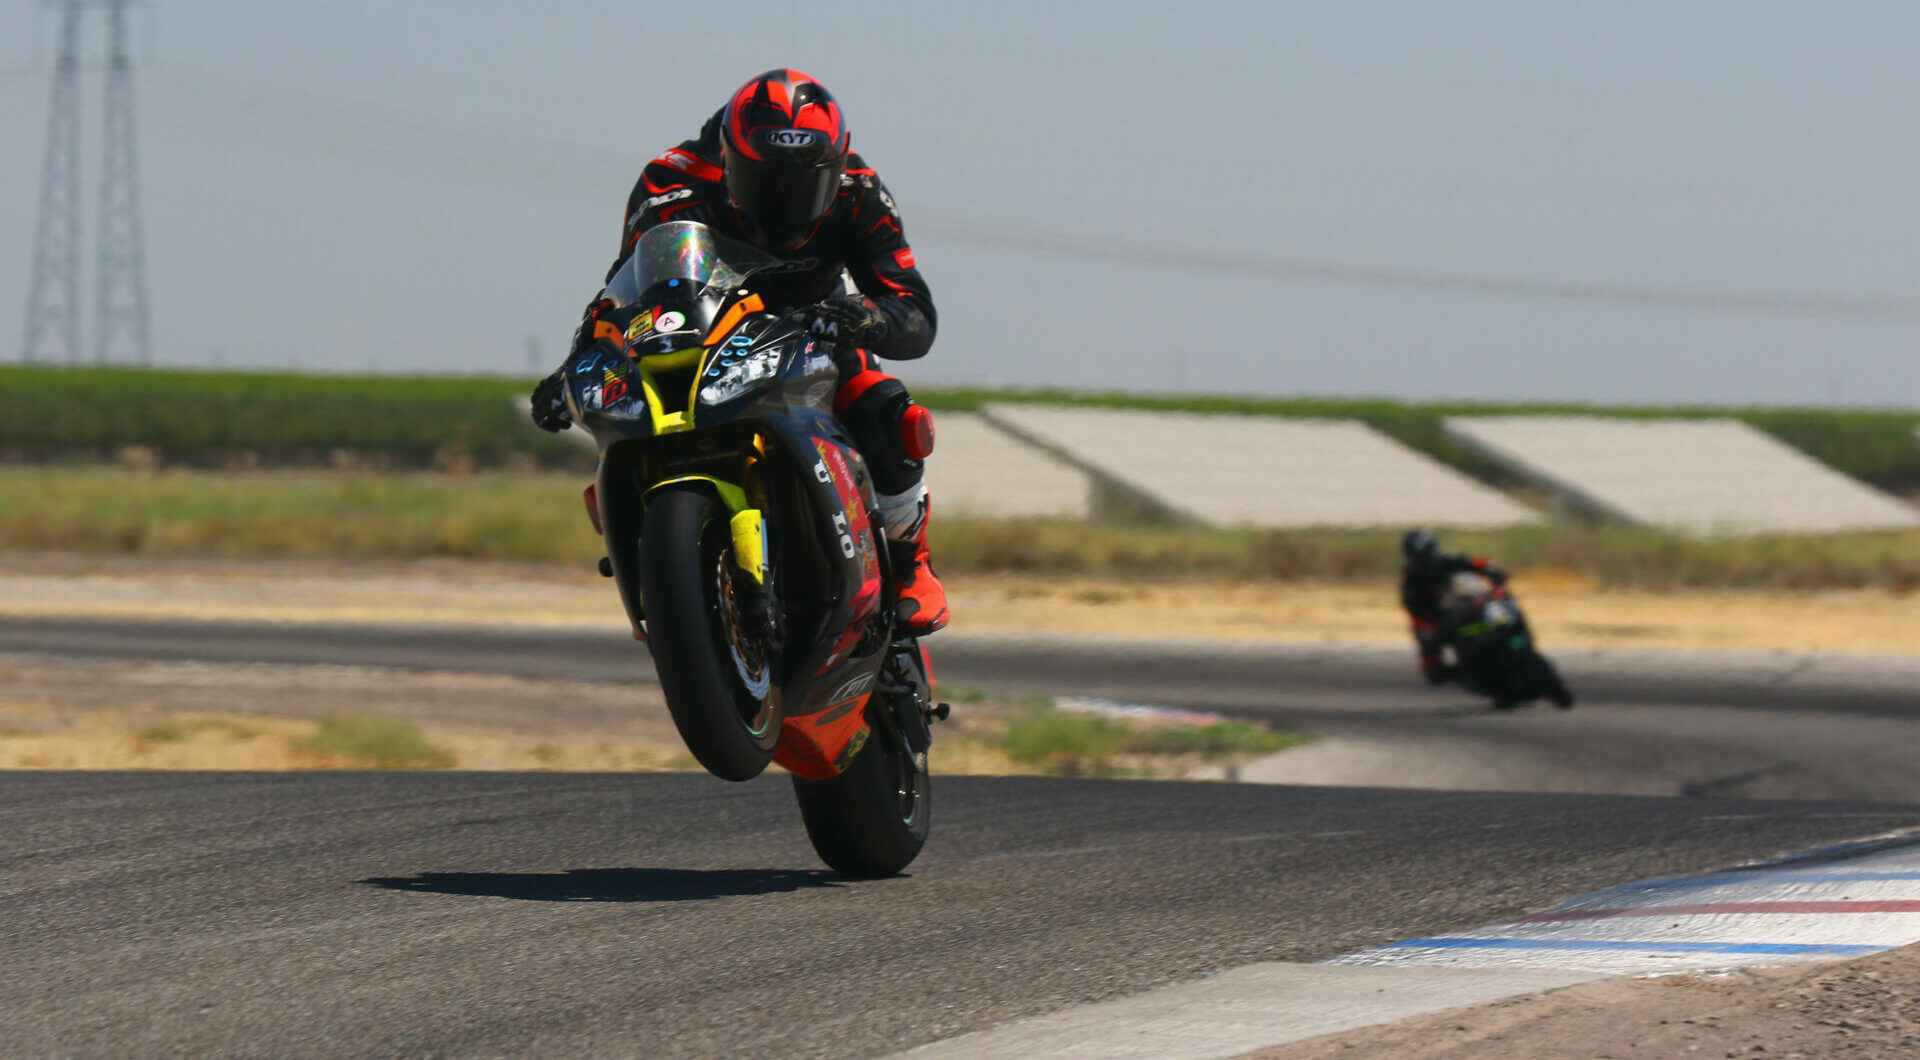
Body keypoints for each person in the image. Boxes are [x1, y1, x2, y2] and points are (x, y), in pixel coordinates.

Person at [529, 69, 948, 635]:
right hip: (705, 334)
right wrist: (573, 364)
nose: (784, 204)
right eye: (764, 183)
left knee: (887, 410)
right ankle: (658, 572)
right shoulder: (670, 182)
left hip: (814, 333)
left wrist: (863, 317)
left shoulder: (860, 190)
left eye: (805, 186)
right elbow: (622, 286)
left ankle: (909, 563)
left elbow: (913, 307)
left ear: (835, 167)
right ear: (728, 156)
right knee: (624, 418)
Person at [1398, 528, 1506, 683]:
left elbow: (1473, 563)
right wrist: (1433, 629)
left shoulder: (1446, 561)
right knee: (1432, 670)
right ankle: (1472, 675)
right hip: (1439, 623)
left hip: (1468, 609)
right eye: (1419, 559)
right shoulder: (1410, 584)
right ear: (1410, 559)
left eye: (1427, 556)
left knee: (1501, 612)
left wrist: (1491, 570)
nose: (1425, 562)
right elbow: (1415, 613)